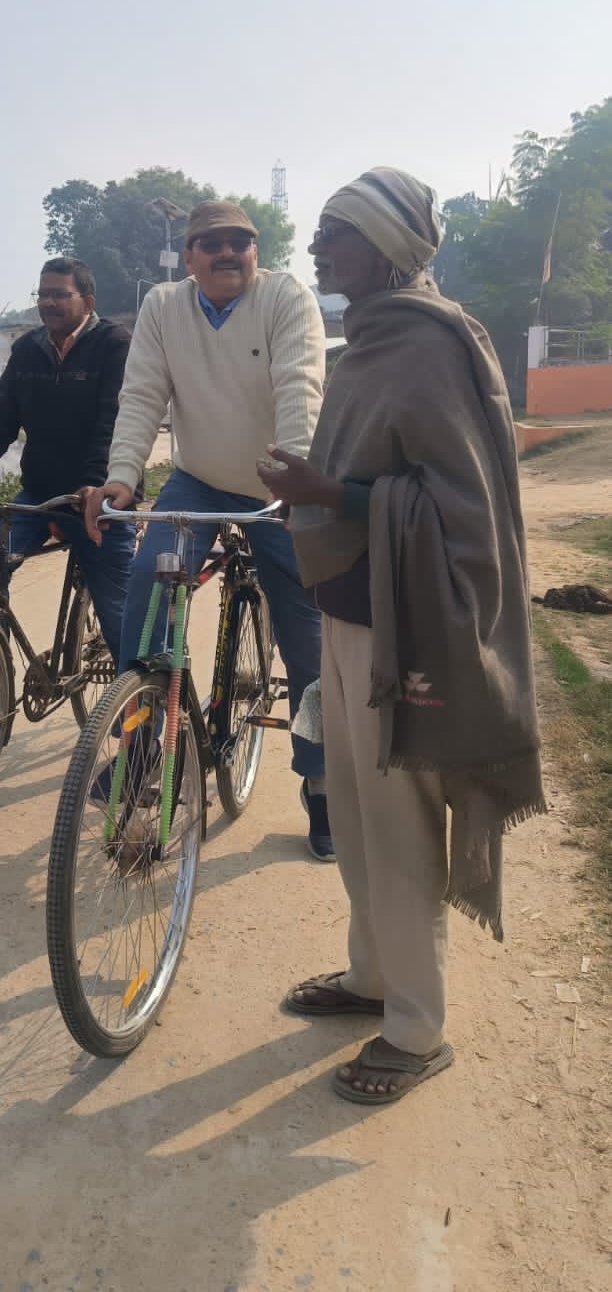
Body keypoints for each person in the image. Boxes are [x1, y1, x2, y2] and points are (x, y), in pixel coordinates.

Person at [257, 166, 545, 1104]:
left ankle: (418, 1031)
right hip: (347, 615)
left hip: (406, 626)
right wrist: (315, 492)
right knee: (354, 813)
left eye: (335, 231)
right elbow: (375, 473)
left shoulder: (429, 342)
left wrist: (330, 493)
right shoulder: (368, 340)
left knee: (401, 828)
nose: (316, 246)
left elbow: (459, 506)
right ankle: (372, 977)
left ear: (386, 247)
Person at [85, 200, 333, 859]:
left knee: (307, 635)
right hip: (196, 478)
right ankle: (143, 749)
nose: (227, 252)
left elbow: (299, 388)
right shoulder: (164, 306)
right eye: (211, 243)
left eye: (239, 242)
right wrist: (122, 477)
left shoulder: (285, 298)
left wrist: (293, 477)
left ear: (256, 251)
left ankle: (322, 779)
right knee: (148, 583)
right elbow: (143, 394)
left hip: (275, 482)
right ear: (189, 256)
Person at [0, 257, 135, 709]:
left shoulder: (114, 344)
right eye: (42, 294)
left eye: (59, 294)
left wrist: (93, 483)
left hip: (101, 499)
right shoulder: (28, 349)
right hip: (39, 496)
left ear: (87, 301)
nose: (48, 303)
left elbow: (116, 420)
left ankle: (140, 719)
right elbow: (1, 416)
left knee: (120, 614)